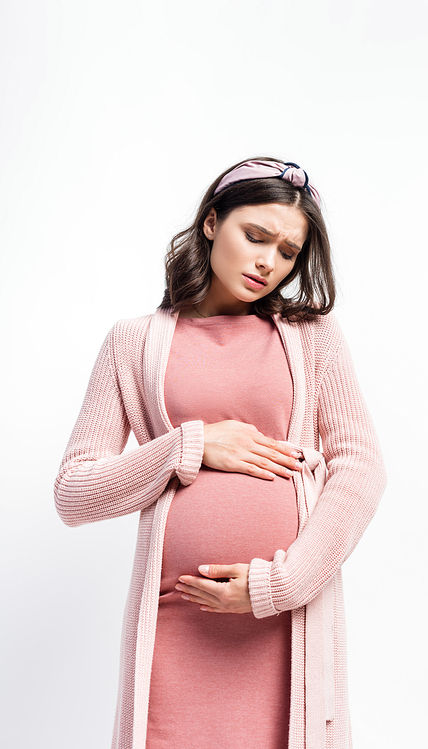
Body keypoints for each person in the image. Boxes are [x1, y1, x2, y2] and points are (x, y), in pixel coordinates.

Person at [54, 157, 387, 749]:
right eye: (255, 236)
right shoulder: (133, 342)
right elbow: (74, 491)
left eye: (287, 252)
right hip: (175, 623)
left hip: (284, 623)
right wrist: (192, 444)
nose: (268, 262)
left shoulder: (311, 337)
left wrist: (280, 585)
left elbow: (360, 470)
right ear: (211, 223)